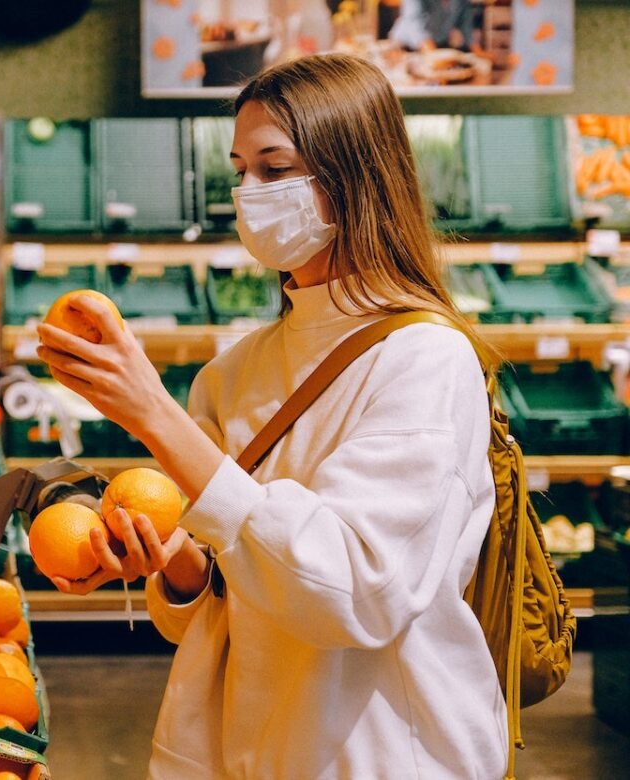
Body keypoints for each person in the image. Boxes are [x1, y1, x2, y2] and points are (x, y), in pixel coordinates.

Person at [36, 53, 507, 779]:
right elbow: (220, 600)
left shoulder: (425, 360)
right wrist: (170, 564)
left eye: (275, 169)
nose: (247, 193)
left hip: (378, 757)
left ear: (354, 176)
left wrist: (154, 415)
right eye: (240, 170)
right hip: (244, 747)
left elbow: (352, 595)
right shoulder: (235, 371)